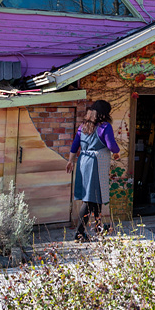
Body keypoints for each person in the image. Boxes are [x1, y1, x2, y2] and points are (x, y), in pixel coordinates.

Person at [66, 99, 120, 241]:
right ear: (104, 113)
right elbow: (111, 144)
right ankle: (79, 233)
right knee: (90, 199)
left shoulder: (83, 126)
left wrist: (70, 161)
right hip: (96, 163)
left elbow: (75, 145)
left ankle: (98, 228)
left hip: (83, 161)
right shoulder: (105, 127)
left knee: (96, 198)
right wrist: (116, 152)